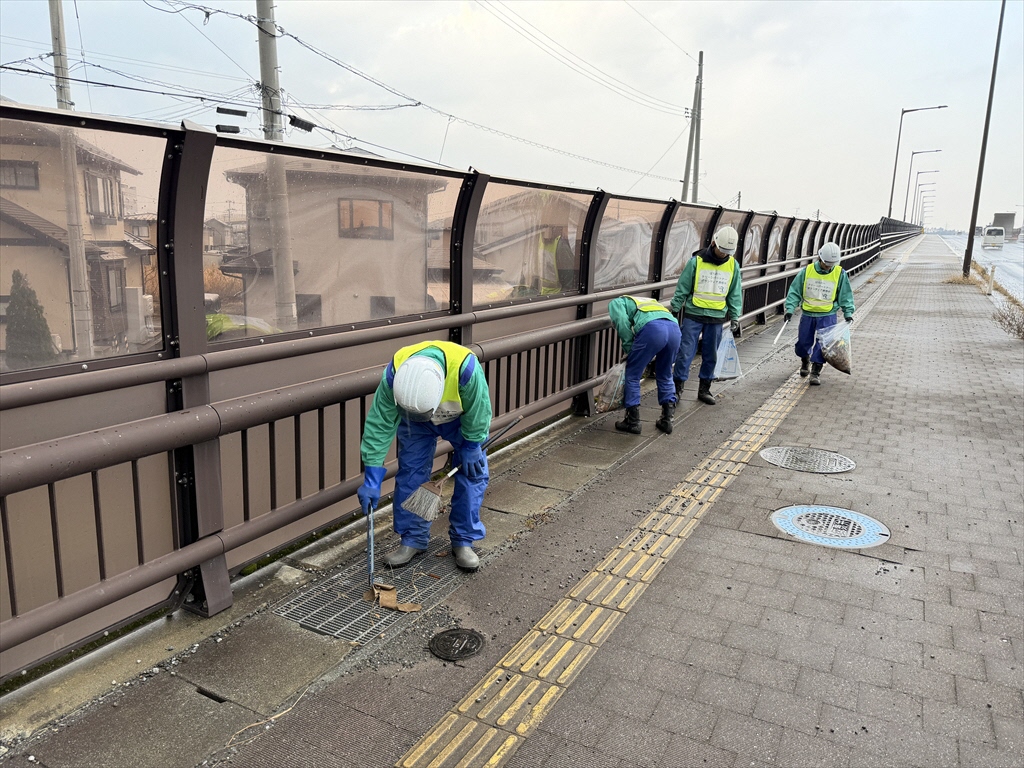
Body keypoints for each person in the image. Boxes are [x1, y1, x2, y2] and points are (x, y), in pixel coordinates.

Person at [357, 340, 492, 571]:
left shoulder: (465, 369)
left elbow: (479, 410)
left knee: (472, 473)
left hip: (461, 421)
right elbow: (380, 424)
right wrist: (371, 477)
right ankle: (413, 538)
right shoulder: (395, 374)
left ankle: (463, 540)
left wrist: (472, 445)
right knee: (411, 471)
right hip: (414, 421)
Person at [670, 226, 744, 405]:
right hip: (693, 314)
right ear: (713, 243)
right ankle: (677, 389)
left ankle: (704, 389)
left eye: (727, 252)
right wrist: (675, 308)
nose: (723, 254)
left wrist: (735, 316)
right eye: (721, 250)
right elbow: (683, 286)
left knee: (711, 355)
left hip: (716, 318)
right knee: (685, 354)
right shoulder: (696, 261)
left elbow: (734, 293)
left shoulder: (733, 265)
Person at [608, 295, 682, 435]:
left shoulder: (616, 302)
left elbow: (622, 323)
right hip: (674, 329)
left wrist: (629, 348)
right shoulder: (647, 301)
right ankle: (667, 420)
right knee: (665, 374)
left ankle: (633, 422)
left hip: (652, 330)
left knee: (633, 374)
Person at [784, 241, 854, 386]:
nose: (829, 267)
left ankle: (815, 371)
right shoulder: (807, 271)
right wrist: (790, 309)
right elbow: (795, 291)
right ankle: (805, 359)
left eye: (831, 264)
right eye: (827, 264)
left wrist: (848, 312)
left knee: (823, 345)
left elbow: (845, 295)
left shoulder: (839, 273)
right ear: (820, 258)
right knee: (803, 343)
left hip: (828, 314)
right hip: (808, 314)